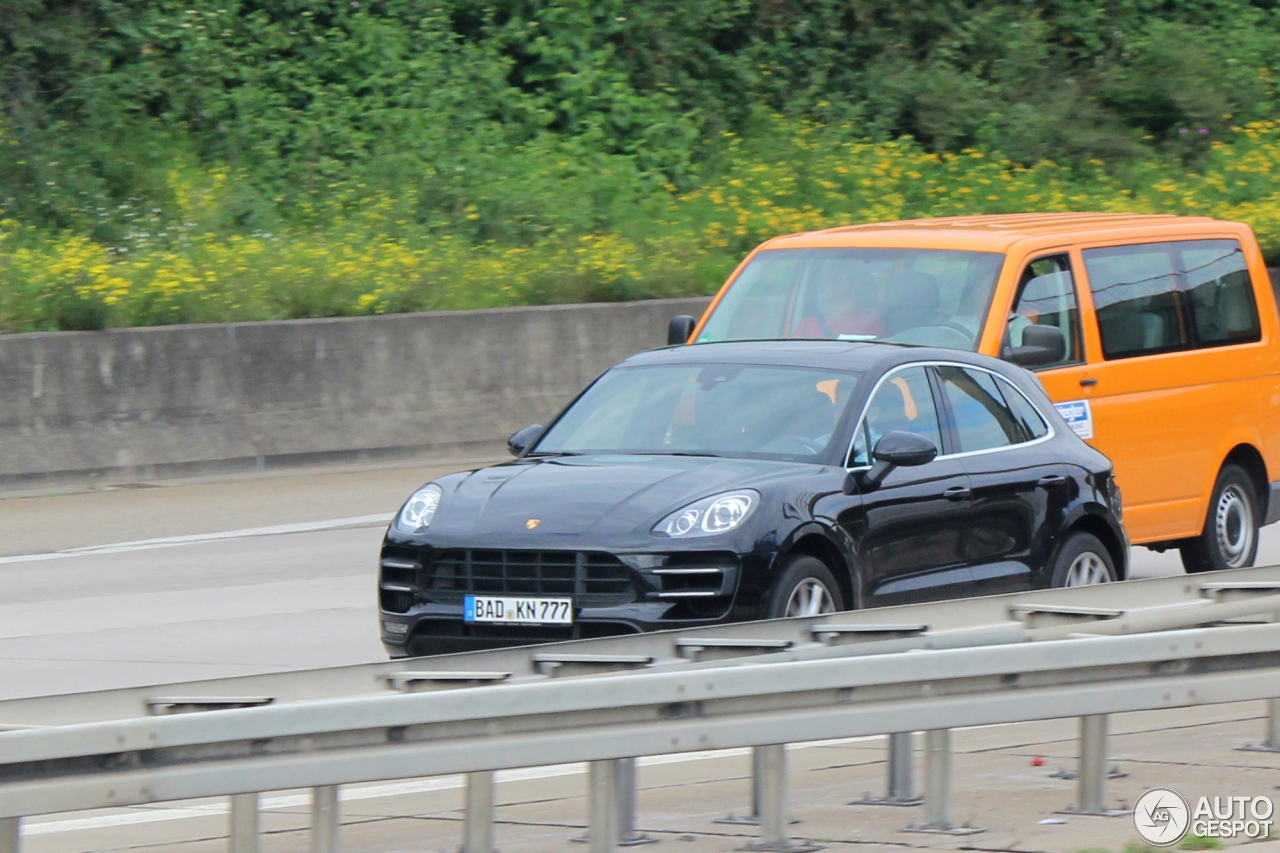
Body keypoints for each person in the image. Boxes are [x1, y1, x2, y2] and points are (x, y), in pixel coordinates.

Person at [792, 275, 886, 339]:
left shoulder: (871, 321)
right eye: (829, 279)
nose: (832, 283)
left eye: (838, 279)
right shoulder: (807, 324)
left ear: (856, 284)